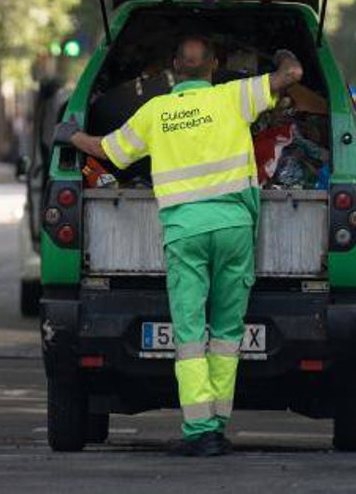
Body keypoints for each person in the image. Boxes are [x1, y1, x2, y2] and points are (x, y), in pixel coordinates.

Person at [55, 37, 303, 457]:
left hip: (185, 233)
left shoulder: (155, 112)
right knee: (226, 333)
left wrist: (71, 134)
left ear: (174, 66)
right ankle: (216, 426)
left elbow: (107, 152)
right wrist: (283, 54)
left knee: (189, 335)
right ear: (215, 65)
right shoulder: (233, 97)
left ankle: (200, 430)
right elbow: (292, 75)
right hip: (235, 228)